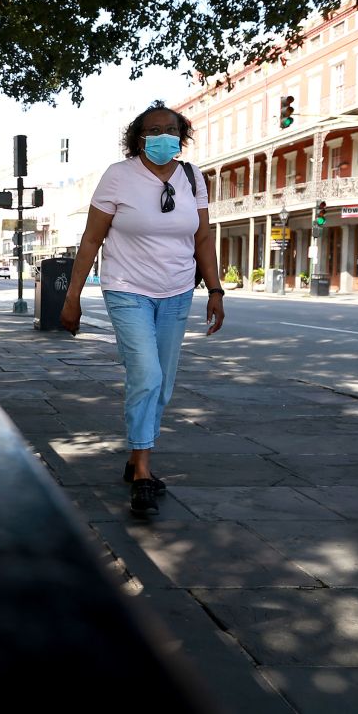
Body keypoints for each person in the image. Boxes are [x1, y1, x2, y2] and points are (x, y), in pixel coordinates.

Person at [60, 101, 225, 518]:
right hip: (127, 289)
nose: (161, 137)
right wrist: (72, 296)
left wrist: (216, 290)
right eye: (152, 131)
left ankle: (136, 456)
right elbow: (91, 240)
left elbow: (203, 237)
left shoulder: (191, 177)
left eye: (169, 129)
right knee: (146, 375)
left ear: (182, 136)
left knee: (164, 384)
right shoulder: (119, 176)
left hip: (177, 293)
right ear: (138, 138)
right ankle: (143, 475)